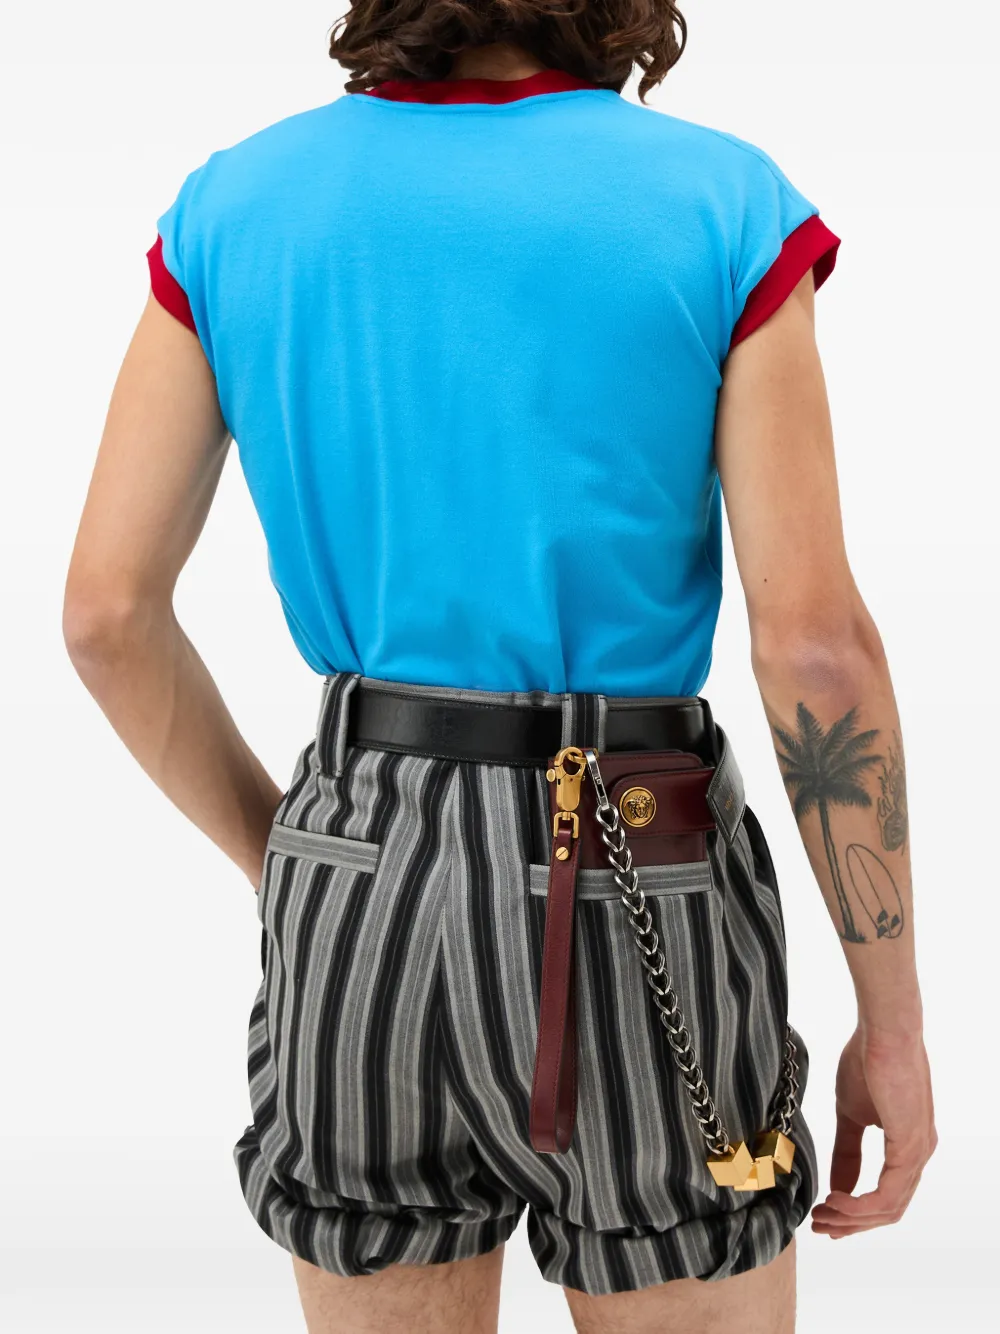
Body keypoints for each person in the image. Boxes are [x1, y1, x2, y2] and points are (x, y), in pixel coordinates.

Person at [63, 3, 936, 1331]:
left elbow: (107, 614)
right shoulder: (722, 206)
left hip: (357, 862)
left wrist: (287, 855)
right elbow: (814, 645)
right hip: (639, 849)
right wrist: (895, 1025)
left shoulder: (234, 209)